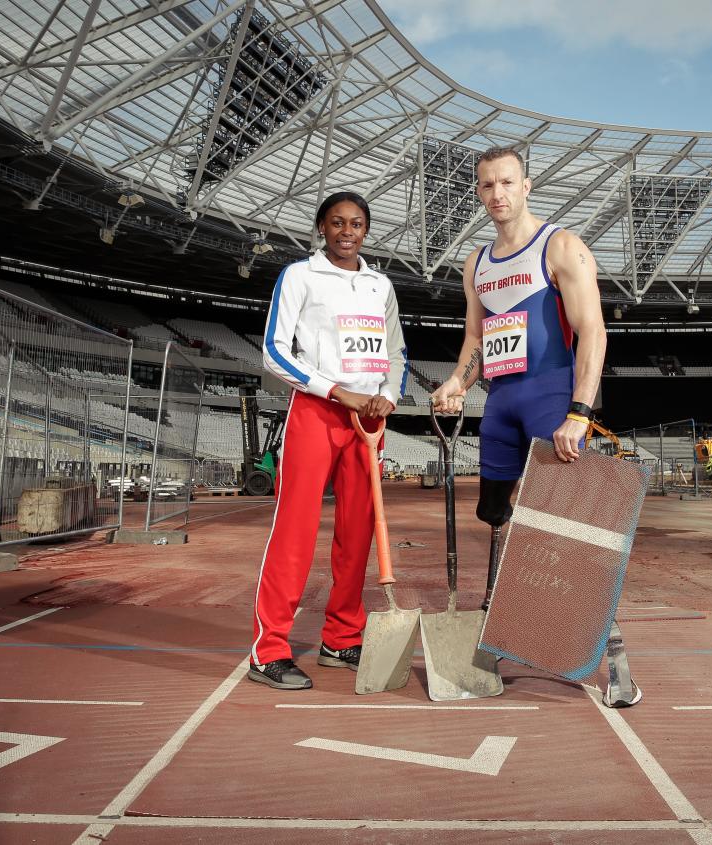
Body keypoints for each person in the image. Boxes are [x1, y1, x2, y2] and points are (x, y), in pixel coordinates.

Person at [430, 146, 606, 611]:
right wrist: (457, 383)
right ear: (478, 192)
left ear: (526, 187)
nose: (497, 193)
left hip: (550, 399)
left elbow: (593, 330)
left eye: (507, 182)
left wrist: (580, 413)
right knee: (492, 512)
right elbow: (475, 337)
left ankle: (580, 622)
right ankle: (505, 608)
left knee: (557, 520)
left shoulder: (561, 245)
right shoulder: (477, 263)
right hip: (500, 403)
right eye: (487, 184)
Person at [251, 191, 408, 690]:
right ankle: (269, 649)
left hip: (369, 422)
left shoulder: (380, 284)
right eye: (337, 222)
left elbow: (396, 351)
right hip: (319, 412)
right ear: (322, 227)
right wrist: (338, 392)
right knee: (295, 529)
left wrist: (385, 396)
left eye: (357, 224)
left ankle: (342, 638)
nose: (347, 231)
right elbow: (275, 352)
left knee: (357, 534)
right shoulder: (300, 275)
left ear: (366, 230)